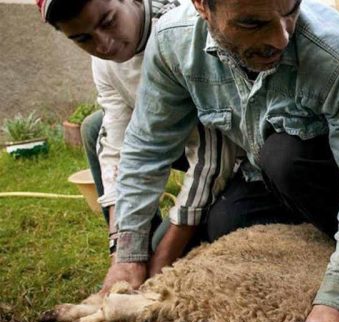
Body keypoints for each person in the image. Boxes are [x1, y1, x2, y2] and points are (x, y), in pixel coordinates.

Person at [110, 0, 339, 322]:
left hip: (328, 179)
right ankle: (313, 254)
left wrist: (335, 301)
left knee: (284, 157)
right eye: (252, 23)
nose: (280, 37)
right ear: (203, 7)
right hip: (261, 175)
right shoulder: (174, 43)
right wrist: (129, 256)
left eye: (291, 10)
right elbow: (147, 148)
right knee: (223, 223)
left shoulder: (335, 52)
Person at [38, 0, 240, 293]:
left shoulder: (181, 33)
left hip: (232, 149)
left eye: (108, 22)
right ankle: (140, 250)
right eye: (83, 39)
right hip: (175, 142)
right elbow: (118, 146)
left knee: (222, 227)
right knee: (95, 127)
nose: (103, 45)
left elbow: (213, 157)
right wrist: (122, 250)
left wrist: (163, 261)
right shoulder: (104, 62)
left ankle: (162, 248)